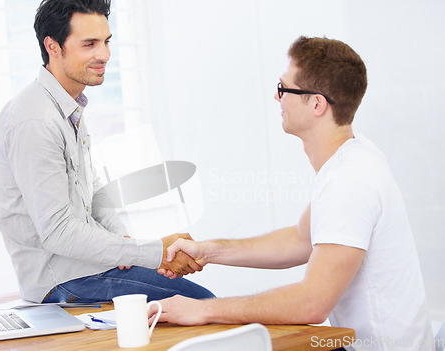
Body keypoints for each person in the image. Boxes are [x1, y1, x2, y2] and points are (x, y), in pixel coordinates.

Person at [154, 36, 434, 350]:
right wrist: (208, 250)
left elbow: (311, 304)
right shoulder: (355, 157)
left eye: (284, 89)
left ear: (317, 104)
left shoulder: (350, 181)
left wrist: (202, 310)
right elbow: (300, 240)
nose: (277, 98)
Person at [0, 0, 213, 304]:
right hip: (62, 280)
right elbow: (58, 232)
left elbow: (92, 190)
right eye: (90, 44)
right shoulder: (35, 120)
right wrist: (154, 253)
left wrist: (125, 244)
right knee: (203, 304)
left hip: (89, 266)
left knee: (203, 305)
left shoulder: (68, 106)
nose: (104, 55)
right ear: (53, 46)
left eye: (106, 42)